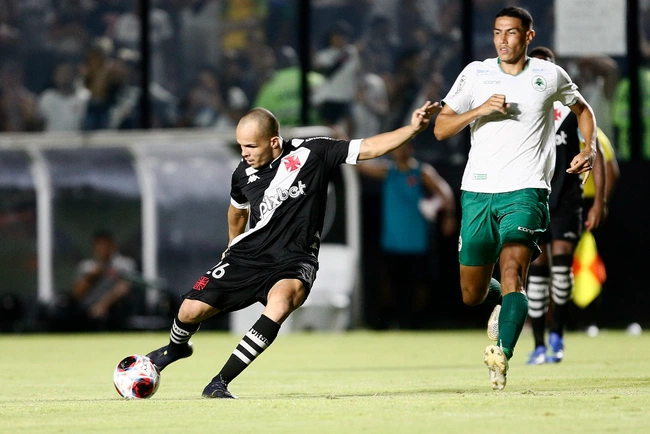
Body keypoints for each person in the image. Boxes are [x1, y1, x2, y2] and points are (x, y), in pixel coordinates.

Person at [144, 102, 440, 399]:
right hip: (249, 255)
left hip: (295, 259)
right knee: (190, 309)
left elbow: (371, 147)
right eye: (240, 146)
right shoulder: (242, 173)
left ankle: (219, 382)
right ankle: (175, 348)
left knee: (282, 300)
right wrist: (232, 245)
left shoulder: (314, 152)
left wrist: (412, 128)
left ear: (274, 142)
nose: (244, 152)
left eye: (250, 145)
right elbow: (237, 212)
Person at [433, 7, 597, 391]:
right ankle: (504, 306)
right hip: (477, 192)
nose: (503, 39)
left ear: (527, 36)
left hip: (526, 191)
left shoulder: (548, 75)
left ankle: (501, 354)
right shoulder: (475, 74)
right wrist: (481, 108)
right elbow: (441, 128)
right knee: (472, 293)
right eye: (497, 32)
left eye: (511, 33)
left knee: (512, 274)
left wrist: (587, 151)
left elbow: (583, 110)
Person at [524, 46, 610, 365]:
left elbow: (595, 151)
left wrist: (597, 200)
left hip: (567, 199)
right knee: (537, 271)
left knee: (560, 269)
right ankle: (537, 344)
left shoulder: (573, 109)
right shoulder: (524, 112)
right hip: (533, 198)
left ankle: (557, 336)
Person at [356, 141, 456, 329]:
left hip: (417, 240)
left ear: (411, 149)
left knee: (419, 282)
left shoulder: (422, 172)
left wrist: (448, 217)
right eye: (396, 148)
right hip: (392, 240)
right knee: (389, 282)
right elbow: (361, 167)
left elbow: (445, 193)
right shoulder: (388, 171)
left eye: (404, 147)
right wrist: (344, 143)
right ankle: (390, 320)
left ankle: (417, 320)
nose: (400, 152)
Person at [50, 230, 138, 331]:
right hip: (85, 310)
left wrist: (103, 305)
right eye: (99, 245)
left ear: (113, 246)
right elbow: (75, 294)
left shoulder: (124, 264)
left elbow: (123, 288)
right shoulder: (86, 266)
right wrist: (92, 276)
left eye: (106, 245)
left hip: (112, 309)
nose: (103, 249)